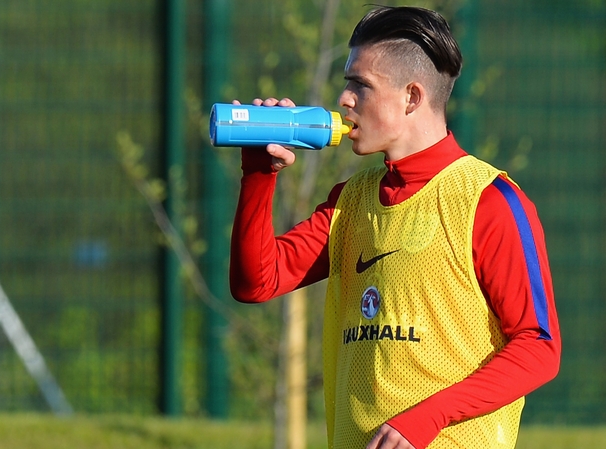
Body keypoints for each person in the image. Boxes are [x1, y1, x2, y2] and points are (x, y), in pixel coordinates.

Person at [229, 6, 561, 449]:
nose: (344, 99)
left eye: (360, 85)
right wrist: (258, 175)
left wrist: (428, 418)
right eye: (346, 82)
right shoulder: (350, 200)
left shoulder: (491, 201)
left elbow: (539, 347)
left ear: (412, 97)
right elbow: (255, 283)